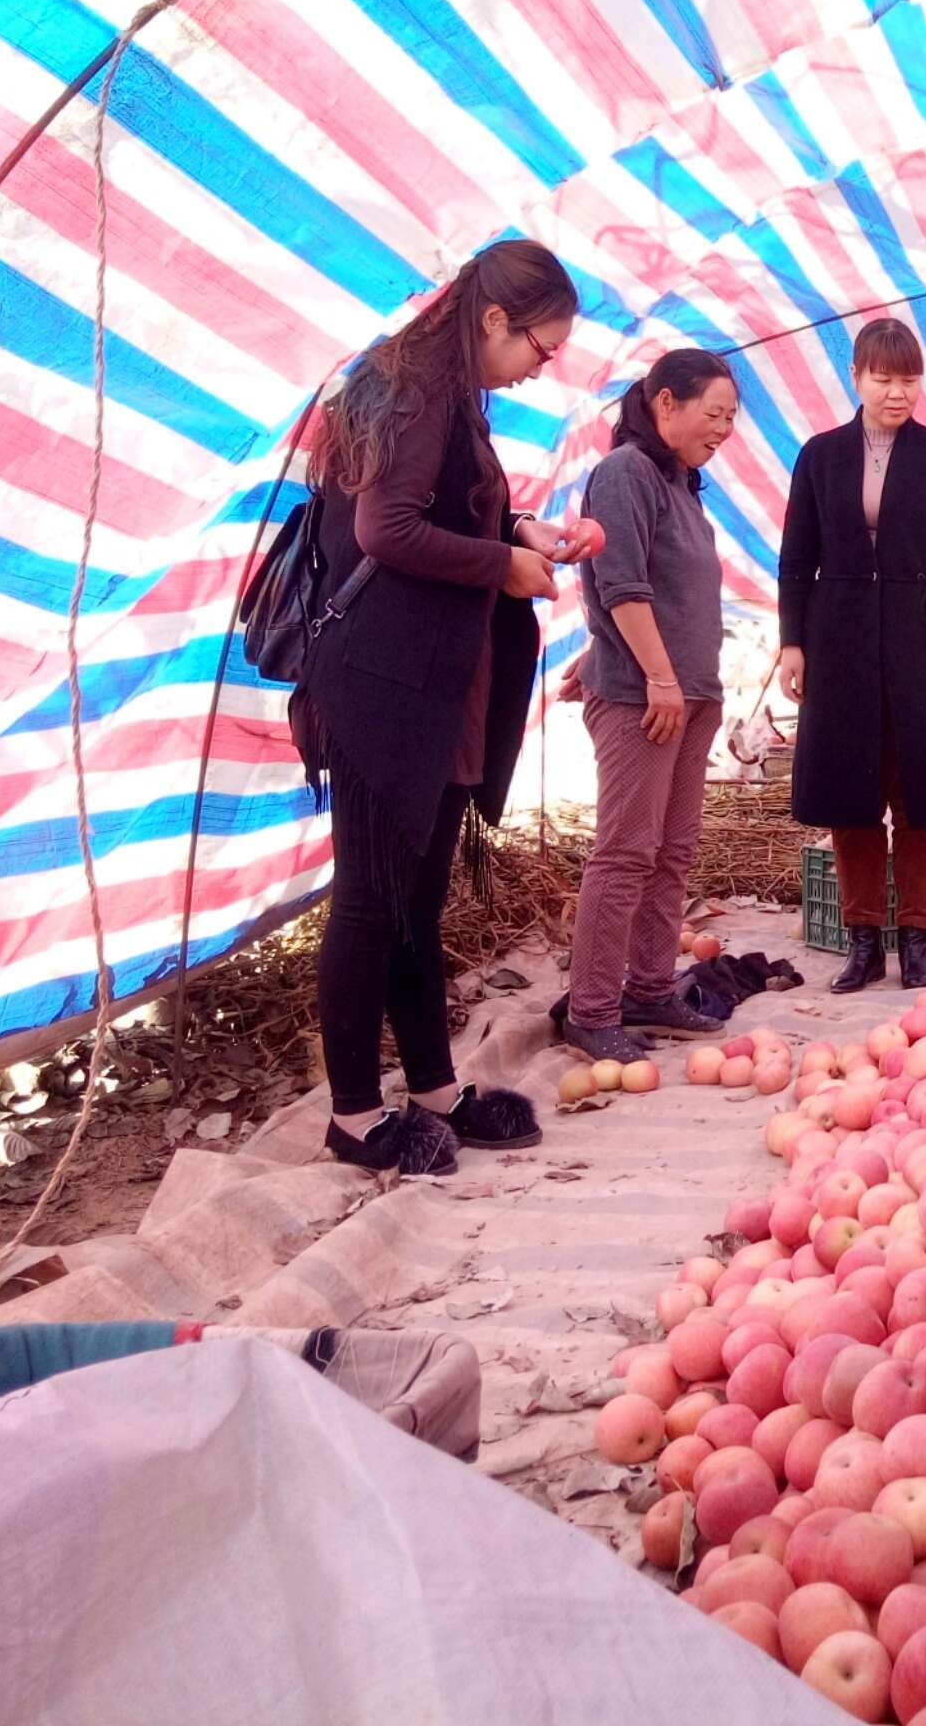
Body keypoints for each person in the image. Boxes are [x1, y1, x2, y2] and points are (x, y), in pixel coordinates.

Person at [292, 239, 588, 1175]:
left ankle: (430, 1088)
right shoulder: (409, 384)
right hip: (384, 685)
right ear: (495, 319)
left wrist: (519, 530)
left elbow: (442, 511)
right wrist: (502, 564)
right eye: (541, 348)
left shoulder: (451, 390)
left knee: (418, 899)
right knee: (371, 900)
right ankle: (351, 1115)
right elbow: (387, 529)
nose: (544, 370)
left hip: (436, 682)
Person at [778, 316, 926, 993]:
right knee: (850, 796)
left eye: (909, 381)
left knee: (921, 796)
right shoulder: (820, 455)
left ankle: (916, 940)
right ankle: (861, 943)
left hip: (924, 633)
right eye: (883, 379)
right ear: (856, 377)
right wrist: (793, 641)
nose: (897, 393)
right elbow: (798, 557)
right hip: (839, 634)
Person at [558, 349, 741, 1058]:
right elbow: (621, 585)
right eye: (714, 413)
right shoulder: (625, 471)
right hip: (647, 699)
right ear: (665, 404)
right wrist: (655, 677)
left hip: (689, 694)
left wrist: (602, 649)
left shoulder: (680, 483)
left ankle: (652, 989)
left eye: (731, 419)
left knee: (671, 852)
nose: (724, 430)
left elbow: (662, 592)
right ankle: (593, 1008)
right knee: (626, 853)